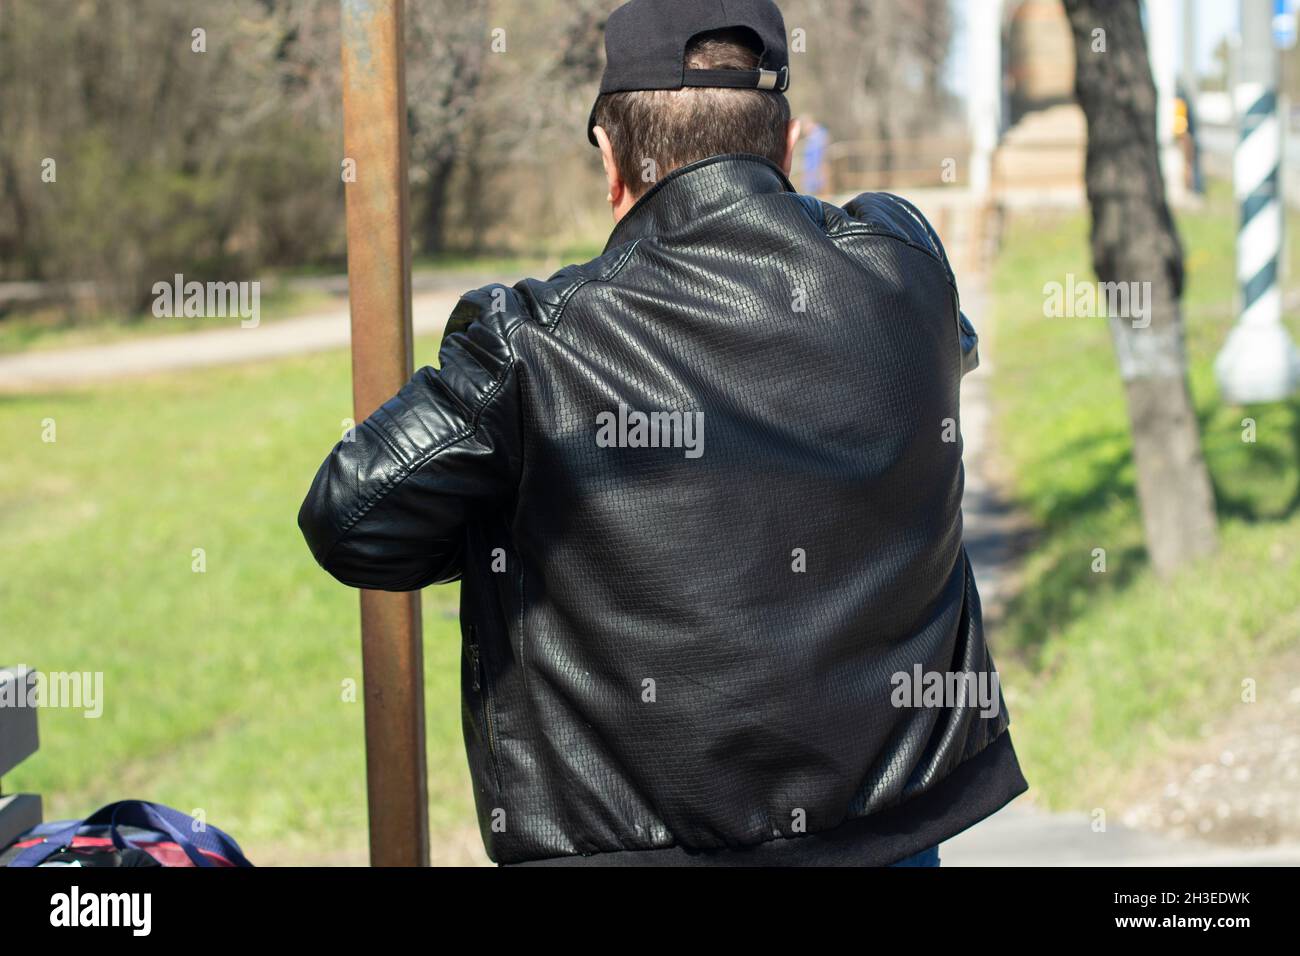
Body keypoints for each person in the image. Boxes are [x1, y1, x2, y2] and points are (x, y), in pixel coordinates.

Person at [299, 0, 1026, 867]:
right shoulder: (906, 260)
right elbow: (944, 354)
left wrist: (528, 511)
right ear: (790, 148)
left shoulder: (531, 342)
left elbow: (349, 516)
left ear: (610, 161)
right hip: (890, 839)